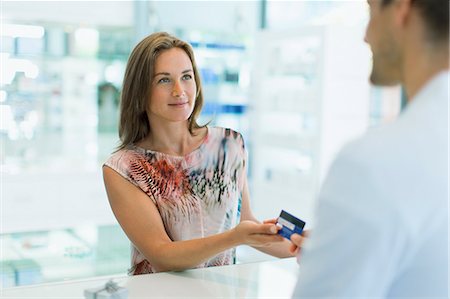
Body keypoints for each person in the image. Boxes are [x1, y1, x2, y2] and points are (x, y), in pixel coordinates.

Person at [103, 32, 302, 275]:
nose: (179, 91)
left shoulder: (229, 144)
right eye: (164, 80)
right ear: (141, 91)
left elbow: (243, 223)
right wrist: (233, 238)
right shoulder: (123, 168)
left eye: (186, 77)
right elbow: (161, 254)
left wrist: (304, 246)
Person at [290, 0, 448, 297]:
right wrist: (339, 248)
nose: (365, 35)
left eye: (371, 12)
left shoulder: (373, 163)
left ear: (401, 10)